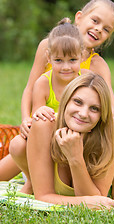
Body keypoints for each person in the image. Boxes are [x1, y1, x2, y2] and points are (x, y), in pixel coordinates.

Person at [19, 0, 114, 171]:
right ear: (79, 17)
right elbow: (30, 88)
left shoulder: (98, 65)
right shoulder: (49, 46)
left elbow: (112, 105)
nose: (98, 29)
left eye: (106, 29)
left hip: (79, 127)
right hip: (44, 124)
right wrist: (25, 119)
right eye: (95, 21)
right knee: (17, 149)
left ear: (108, 38)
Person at [16, 72, 114, 208]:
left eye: (94, 109)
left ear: (101, 116)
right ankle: (30, 182)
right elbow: (43, 196)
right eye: (78, 102)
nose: (83, 114)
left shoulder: (107, 133)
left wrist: (75, 157)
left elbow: (98, 198)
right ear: (66, 101)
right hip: (33, 155)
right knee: (17, 145)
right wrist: (87, 202)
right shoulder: (45, 124)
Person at [2, 18, 86, 183]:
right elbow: (39, 119)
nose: (66, 67)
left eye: (72, 60)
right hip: (45, 145)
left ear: (81, 56)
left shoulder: (85, 82)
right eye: (59, 60)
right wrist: (32, 116)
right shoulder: (43, 83)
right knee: (17, 145)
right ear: (48, 57)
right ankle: (33, 180)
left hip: (75, 143)